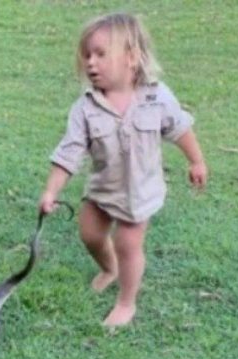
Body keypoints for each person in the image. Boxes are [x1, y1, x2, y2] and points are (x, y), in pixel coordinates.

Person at [38, 13, 208, 327]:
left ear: (132, 57)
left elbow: (180, 129)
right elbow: (68, 153)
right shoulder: (85, 108)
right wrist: (51, 191)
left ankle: (126, 303)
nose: (91, 62)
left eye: (101, 54)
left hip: (139, 193)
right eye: (87, 55)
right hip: (103, 189)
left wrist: (196, 161)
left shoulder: (157, 96)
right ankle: (109, 268)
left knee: (128, 244)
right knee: (90, 234)